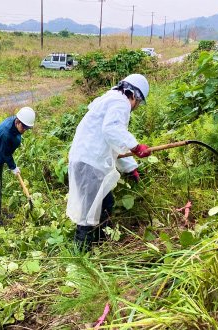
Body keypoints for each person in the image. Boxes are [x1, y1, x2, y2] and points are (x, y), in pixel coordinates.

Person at [66, 74, 151, 250]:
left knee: (105, 203)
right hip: (89, 163)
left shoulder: (109, 100)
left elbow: (113, 142)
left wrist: (130, 168)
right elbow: (112, 130)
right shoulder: (121, 103)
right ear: (134, 95)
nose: (137, 107)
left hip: (86, 160)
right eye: (139, 102)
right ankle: (80, 253)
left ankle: (101, 244)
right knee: (88, 213)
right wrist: (136, 146)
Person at [0, 107, 36, 226]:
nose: (25, 130)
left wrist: (13, 165)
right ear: (18, 122)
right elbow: (5, 153)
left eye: (28, 128)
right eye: (24, 127)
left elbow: (6, 151)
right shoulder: (6, 133)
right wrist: (13, 167)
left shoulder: (15, 122)